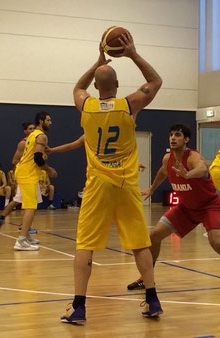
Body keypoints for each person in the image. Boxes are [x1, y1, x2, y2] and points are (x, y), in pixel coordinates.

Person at [61, 34, 163, 324]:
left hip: (98, 185)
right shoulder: (129, 105)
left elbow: (78, 87)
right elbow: (155, 81)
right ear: (117, 86)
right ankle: (152, 300)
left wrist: (97, 62)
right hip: (127, 185)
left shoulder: (87, 105)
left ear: (97, 86)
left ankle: (78, 306)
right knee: (139, 244)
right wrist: (133, 54)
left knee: (85, 245)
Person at [127, 124, 220, 300]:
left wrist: (188, 174)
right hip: (186, 208)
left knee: (217, 242)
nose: (173, 138)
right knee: (154, 236)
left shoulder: (193, 156)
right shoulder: (168, 159)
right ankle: (146, 278)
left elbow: (202, 168)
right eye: (171, 135)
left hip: (209, 206)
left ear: (186, 139)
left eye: (177, 135)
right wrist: (151, 188)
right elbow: (162, 172)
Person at [3, 112, 56, 250]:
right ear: (41, 121)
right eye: (48, 120)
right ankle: (20, 241)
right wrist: (49, 170)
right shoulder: (41, 136)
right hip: (28, 173)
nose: (51, 122)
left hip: (25, 172)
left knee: (29, 205)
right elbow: (38, 159)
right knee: (30, 207)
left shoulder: (33, 135)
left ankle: (25, 236)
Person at [0, 122, 38, 234]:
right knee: (26, 203)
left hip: (32, 175)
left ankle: (7, 222)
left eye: (33, 128)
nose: (32, 130)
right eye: (30, 129)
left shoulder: (36, 142)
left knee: (21, 202)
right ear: (25, 131)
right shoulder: (23, 144)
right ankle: (21, 226)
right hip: (25, 176)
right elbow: (14, 161)